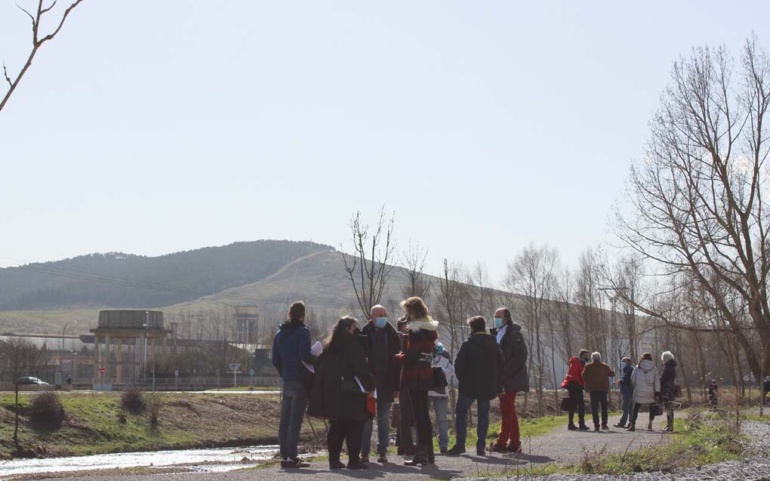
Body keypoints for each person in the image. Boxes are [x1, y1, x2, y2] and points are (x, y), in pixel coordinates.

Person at [307, 316, 375, 470]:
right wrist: (371, 385)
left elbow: (318, 367)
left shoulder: (329, 346)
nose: (356, 331)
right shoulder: (353, 345)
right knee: (355, 427)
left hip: (333, 394)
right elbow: (361, 368)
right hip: (352, 393)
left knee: (337, 428)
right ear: (348, 329)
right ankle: (353, 460)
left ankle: (334, 461)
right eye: (354, 328)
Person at [447, 316, 504, 457]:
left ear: (472, 328)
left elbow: (459, 365)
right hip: (488, 386)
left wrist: (463, 379)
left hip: (469, 387)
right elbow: (501, 363)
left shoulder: (468, 343)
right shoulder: (494, 343)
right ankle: (481, 447)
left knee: (461, 412)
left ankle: (460, 444)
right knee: (483, 415)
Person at [271, 301, 316, 468]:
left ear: (289, 314)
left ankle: (284, 456)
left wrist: (284, 374)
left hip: (287, 381)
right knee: (295, 422)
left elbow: (275, 360)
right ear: (302, 316)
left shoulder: (278, 334)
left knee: (284, 421)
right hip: (300, 380)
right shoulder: (303, 332)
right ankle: (292, 457)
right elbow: (305, 356)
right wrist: (317, 358)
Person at [395, 297, 438, 466]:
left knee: (419, 416)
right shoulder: (430, 329)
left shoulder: (415, 331)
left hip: (414, 375)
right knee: (424, 415)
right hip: (426, 373)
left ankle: (422, 453)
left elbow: (411, 356)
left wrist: (398, 358)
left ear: (412, 312)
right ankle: (429, 452)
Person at [358, 304, 400, 464]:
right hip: (369, 384)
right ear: (371, 317)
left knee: (383, 419)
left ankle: (382, 452)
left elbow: (397, 364)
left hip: (387, 384)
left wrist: (397, 386)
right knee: (367, 419)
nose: (382, 317)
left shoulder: (393, 335)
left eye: (384, 314)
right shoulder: (363, 334)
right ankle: (365, 453)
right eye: (379, 314)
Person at [489, 307, 529, 454]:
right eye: (495, 316)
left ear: (506, 318)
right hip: (501, 378)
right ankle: (515, 443)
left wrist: (505, 372)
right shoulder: (497, 334)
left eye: (498, 316)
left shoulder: (514, 334)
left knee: (506, 410)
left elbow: (520, 356)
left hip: (510, 378)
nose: (496, 318)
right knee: (509, 410)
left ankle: (501, 442)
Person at [394, 316, 417, 455]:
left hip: (405, 378)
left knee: (405, 413)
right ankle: (406, 444)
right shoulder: (401, 338)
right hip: (404, 378)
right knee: (406, 412)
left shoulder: (406, 337)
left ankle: (402, 443)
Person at [428, 341, 454, 454]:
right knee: (423, 418)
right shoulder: (425, 354)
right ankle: (424, 444)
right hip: (426, 391)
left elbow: (451, 371)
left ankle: (443, 445)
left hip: (441, 392)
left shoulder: (445, 355)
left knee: (442, 419)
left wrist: (439, 370)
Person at [582, 352, 615, 431]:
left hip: (593, 390)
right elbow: (612, 374)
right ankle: (604, 424)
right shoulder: (605, 366)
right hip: (603, 389)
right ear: (599, 358)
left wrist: (589, 382)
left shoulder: (588, 366)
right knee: (604, 407)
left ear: (592, 358)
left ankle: (596, 425)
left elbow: (583, 376)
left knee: (595, 408)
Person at [628, 352, 660, 432]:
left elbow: (632, 379)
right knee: (651, 408)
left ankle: (633, 425)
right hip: (650, 392)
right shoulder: (654, 368)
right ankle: (650, 425)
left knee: (635, 408)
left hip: (639, 391)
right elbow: (657, 381)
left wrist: (636, 386)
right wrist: (657, 391)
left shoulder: (637, 368)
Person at [561, 349, 591, 431]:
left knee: (574, 405)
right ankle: (579, 424)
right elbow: (581, 375)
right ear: (582, 356)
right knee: (578, 405)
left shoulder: (578, 364)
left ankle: (573, 423)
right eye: (586, 356)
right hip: (575, 386)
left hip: (575, 386)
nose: (587, 357)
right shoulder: (578, 364)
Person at [614, 356, 634, 428]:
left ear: (628, 362)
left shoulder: (630, 370)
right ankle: (631, 422)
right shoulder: (626, 370)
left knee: (625, 407)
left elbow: (628, 381)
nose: (622, 363)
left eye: (624, 361)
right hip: (629, 391)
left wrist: (621, 381)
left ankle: (622, 423)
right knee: (630, 408)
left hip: (627, 391)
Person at [660, 351, 678, 432]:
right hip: (671, 389)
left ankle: (670, 426)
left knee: (668, 408)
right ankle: (669, 425)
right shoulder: (672, 367)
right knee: (669, 407)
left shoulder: (667, 367)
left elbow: (663, 379)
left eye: (663, 359)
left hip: (667, 390)